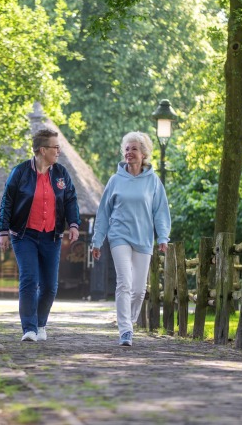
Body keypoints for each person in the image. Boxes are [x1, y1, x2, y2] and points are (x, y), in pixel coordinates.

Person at [0, 128, 81, 342]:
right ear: (42, 150)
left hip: (51, 236)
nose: (59, 151)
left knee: (50, 286)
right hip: (24, 235)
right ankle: (29, 328)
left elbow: (70, 199)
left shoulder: (61, 173)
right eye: (55, 147)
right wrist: (3, 231)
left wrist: (73, 224)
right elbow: (7, 201)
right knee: (29, 279)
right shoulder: (20, 172)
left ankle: (41, 323)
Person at [91, 131, 171, 346]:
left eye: (134, 149)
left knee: (138, 290)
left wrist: (163, 236)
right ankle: (125, 329)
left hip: (144, 238)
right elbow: (104, 213)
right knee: (124, 283)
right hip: (119, 237)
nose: (129, 153)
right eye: (127, 149)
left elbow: (161, 211)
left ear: (143, 153)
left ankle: (130, 321)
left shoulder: (153, 181)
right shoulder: (115, 180)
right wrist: (97, 241)